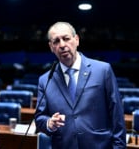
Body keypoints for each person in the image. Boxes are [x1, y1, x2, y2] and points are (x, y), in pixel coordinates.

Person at [35, 21, 126, 149]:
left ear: (76, 39)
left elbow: (116, 114)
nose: (62, 45)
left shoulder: (102, 70)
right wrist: (49, 123)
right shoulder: (45, 80)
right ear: (51, 47)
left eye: (66, 39)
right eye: (56, 41)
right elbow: (39, 119)